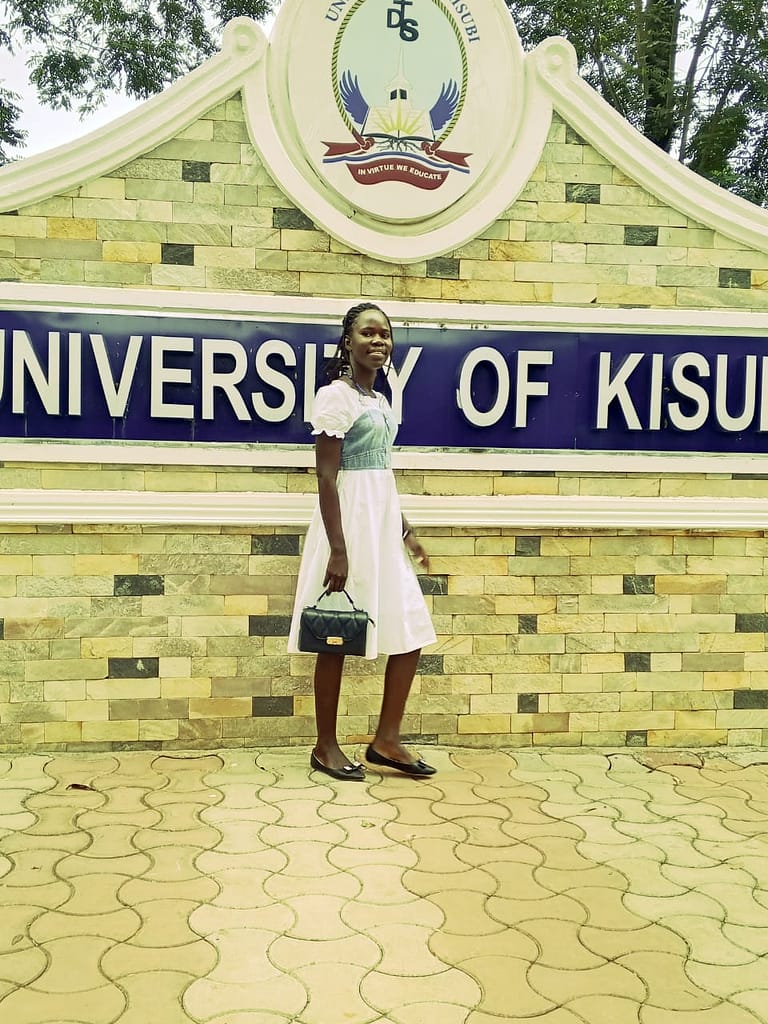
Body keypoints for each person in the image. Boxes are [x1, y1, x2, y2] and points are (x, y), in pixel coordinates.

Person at [287, 302, 437, 781]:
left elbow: (380, 474)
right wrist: (338, 549)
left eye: (385, 334)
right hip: (348, 527)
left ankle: (386, 740)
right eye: (368, 333)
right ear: (348, 341)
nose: (378, 341)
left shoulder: (380, 401)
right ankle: (325, 746)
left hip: (382, 527)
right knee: (336, 632)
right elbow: (327, 477)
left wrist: (406, 531)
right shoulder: (336, 397)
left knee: (411, 630)